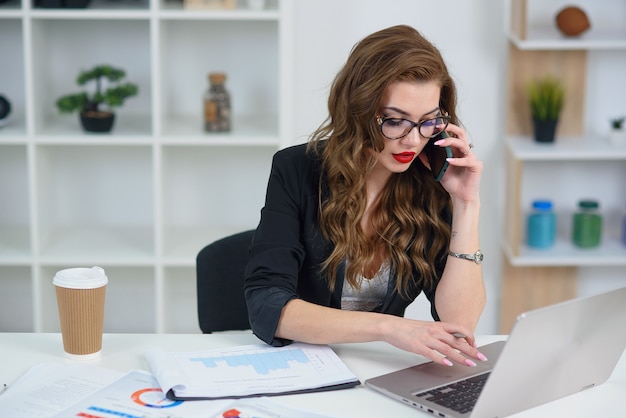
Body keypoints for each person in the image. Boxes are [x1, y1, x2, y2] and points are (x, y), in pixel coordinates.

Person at [244, 24, 487, 367]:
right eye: (394, 121)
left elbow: (460, 325)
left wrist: (466, 204)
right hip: (299, 364)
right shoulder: (296, 169)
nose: (413, 141)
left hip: (374, 366)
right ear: (357, 110)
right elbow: (267, 306)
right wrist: (389, 328)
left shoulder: (434, 183)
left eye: (428, 121)